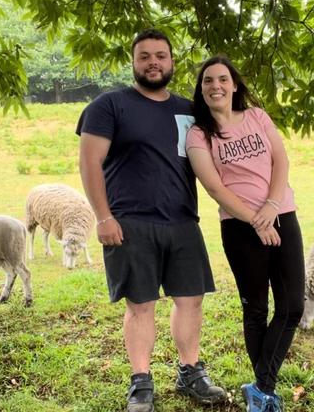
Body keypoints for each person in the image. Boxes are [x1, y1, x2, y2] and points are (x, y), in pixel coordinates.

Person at [76, 29, 227, 412]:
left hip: (182, 222)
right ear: (134, 63)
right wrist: (103, 217)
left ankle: (190, 371)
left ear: (172, 62)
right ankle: (141, 382)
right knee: (140, 305)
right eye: (144, 56)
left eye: (161, 55)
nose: (153, 62)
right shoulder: (109, 106)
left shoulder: (190, 110)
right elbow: (89, 162)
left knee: (190, 300)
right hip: (129, 223)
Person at [185, 55, 305, 412]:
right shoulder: (198, 133)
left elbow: (280, 161)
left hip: (282, 215)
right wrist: (256, 220)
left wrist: (270, 207)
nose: (216, 86)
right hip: (239, 228)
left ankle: (261, 387)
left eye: (223, 79)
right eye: (208, 81)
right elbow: (215, 188)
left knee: (293, 306)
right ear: (202, 89)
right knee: (256, 309)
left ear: (234, 85)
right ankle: (265, 397)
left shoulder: (256, 116)